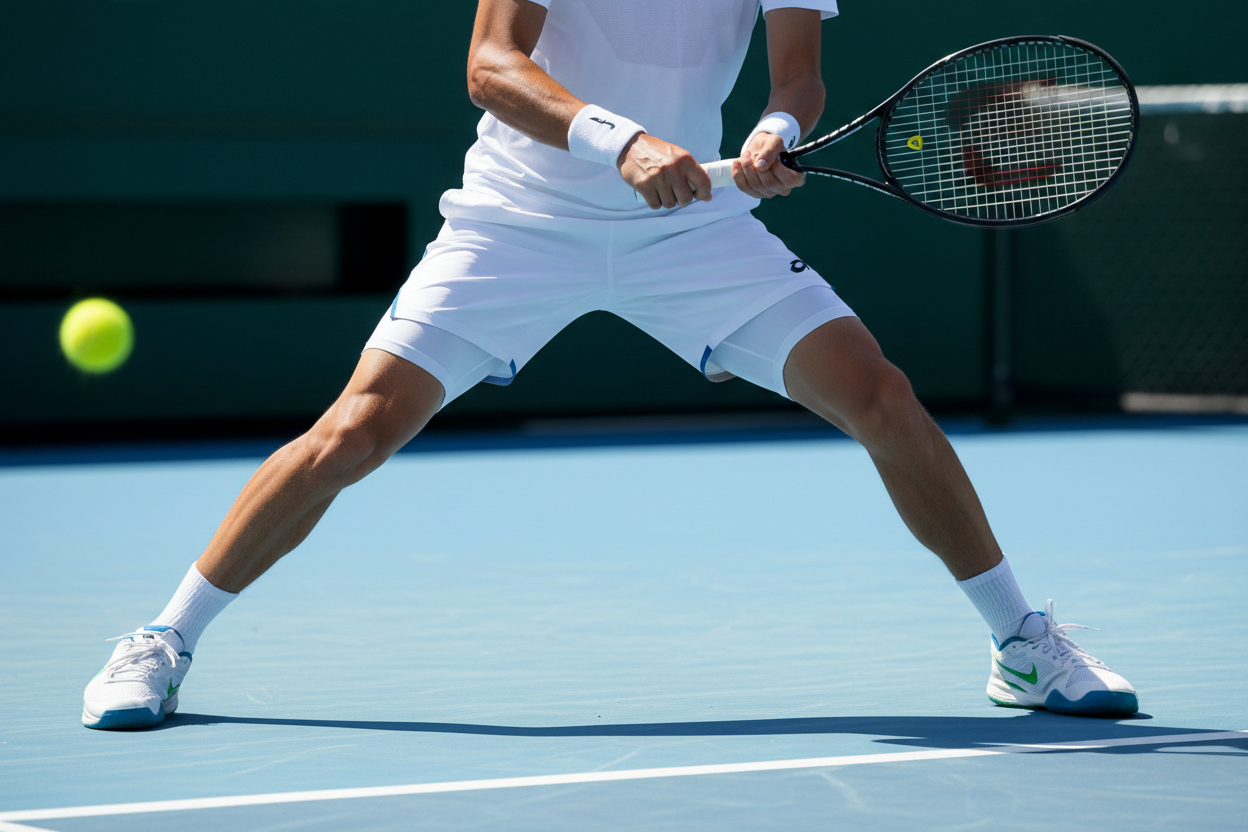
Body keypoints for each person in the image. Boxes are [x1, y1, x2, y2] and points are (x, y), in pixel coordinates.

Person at [82, 0, 1137, 730]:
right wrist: (620, 141)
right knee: (356, 429)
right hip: (519, 219)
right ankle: (164, 639)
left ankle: (1022, 645)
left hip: (694, 227)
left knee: (880, 393)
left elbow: (799, 77)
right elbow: (490, 65)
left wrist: (773, 132)